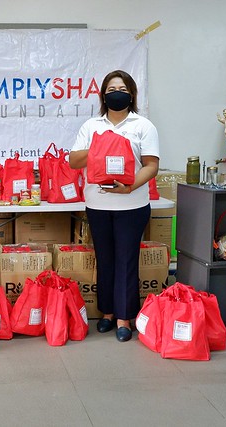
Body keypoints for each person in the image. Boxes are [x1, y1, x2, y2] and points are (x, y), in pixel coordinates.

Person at [69, 70, 159, 342]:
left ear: (131, 95)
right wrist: (102, 145)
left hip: (132, 205)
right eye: (111, 90)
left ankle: (124, 317)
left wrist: (129, 187)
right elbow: (74, 161)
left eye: (122, 89)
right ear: (103, 96)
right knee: (105, 260)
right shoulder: (91, 126)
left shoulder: (143, 125)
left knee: (126, 261)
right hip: (98, 205)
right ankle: (107, 312)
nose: (116, 93)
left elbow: (151, 165)